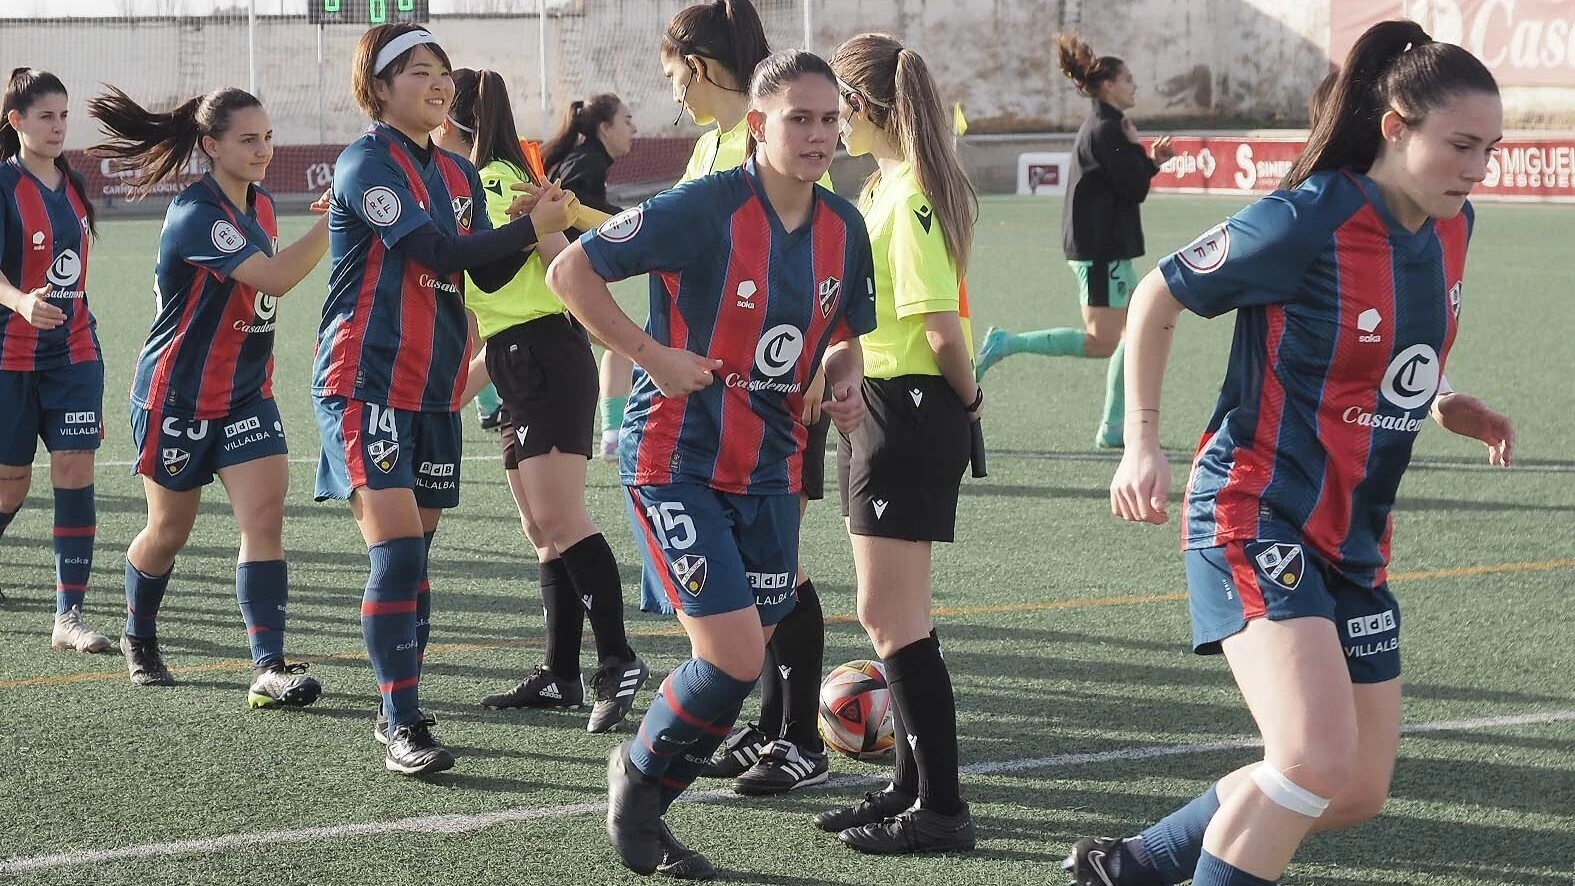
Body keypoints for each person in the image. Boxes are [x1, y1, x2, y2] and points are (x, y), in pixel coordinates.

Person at [1065, 20, 1514, 886]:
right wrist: (1141, 444)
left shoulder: (1453, 227)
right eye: (1461, 145)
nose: (1477, 168)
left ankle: (1135, 865)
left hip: (1352, 539)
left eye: (1489, 150)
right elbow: (1157, 294)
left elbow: (1389, 349)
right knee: (1308, 756)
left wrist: (1445, 400)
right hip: (1252, 509)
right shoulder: (1307, 217)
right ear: (1394, 126)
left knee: (1349, 788)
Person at [547, 50, 875, 879]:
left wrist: (840, 379)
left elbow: (843, 338)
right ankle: (637, 790)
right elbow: (569, 270)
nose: (818, 134)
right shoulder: (702, 208)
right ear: (759, 126)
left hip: (770, 466)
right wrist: (650, 352)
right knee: (732, 656)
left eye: (829, 118)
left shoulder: (845, 226)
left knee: (743, 657)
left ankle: (646, 786)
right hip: (676, 458)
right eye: (798, 118)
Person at [312, 23, 571, 776]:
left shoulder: (458, 175)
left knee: (415, 558)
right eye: (419, 71)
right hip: (365, 381)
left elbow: (480, 276)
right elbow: (434, 253)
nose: (438, 84)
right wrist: (530, 226)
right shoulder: (366, 162)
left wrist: (534, 225)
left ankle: (400, 703)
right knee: (395, 556)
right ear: (380, 87)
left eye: (443, 72)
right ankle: (401, 721)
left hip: (432, 390)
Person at [87, 86, 331, 700]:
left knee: (265, 519)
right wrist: (333, 222)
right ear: (210, 145)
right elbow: (274, 277)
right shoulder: (196, 213)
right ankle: (139, 636)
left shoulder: (265, 205)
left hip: (248, 397)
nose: (263, 150)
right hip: (178, 398)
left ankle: (268, 665)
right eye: (248, 140)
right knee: (168, 532)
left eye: (268, 137)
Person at [433, 68, 647, 733]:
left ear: (450, 120)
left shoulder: (494, 181)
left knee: (562, 518)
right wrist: (450, 394)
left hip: (545, 360)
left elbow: (558, 265)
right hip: (514, 358)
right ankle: (560, 674)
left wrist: (611, 337)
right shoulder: (479, 181)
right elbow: (503, 310)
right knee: (540, 530)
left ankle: (618, 660)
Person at [809, 32, 980, 855]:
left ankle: (943, 811)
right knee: (892, 615)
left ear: (861, 105)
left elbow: (940, 330)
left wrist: (970, 399)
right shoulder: (881, 186)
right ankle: (908, 787)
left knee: (890, 614)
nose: (826, 125)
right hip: (882, 402)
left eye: (832, 106)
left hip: (910, 410)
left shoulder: (907, 192)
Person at [974, 32, 1175, 450]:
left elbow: (1128, 182)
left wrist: (1147, 159)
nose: (1134, 84)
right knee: (1103, 341)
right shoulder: (1105, 129)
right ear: (1107, 86)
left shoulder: (1107, 128)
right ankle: (1007, 343)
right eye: (1128, 78)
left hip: (1106, 249)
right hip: (1101, 252)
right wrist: (1145, 155)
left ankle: (1114, 425)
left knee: (1133, 329)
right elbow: (1134, 187)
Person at [593, 0, 773, 464]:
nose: (674, 94)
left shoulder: (775, 146)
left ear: (695, 67)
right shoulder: (707, 147)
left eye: (672, 77)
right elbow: (657, 237)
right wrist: (571, 214)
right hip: (696, 366)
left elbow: (811, 257)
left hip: (757, 375)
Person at [0, 68, 109, 652]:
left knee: (74, 467)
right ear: (16, 122)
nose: (58, 126)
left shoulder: (72, 183)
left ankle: (68, 616)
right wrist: (19, 302)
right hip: (8, 358)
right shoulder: (2, 184)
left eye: (64, 115)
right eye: (46, 116)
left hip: (74, 354)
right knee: (9, 487)